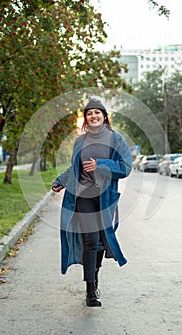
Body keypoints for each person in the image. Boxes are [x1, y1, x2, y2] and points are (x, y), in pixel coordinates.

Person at [52, 99, 132, 307]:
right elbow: (74, 169)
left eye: (97, 112)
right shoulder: (80, 142)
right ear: (85, 118)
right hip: (83, 197)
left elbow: (125, 167)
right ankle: (91, 289)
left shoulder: (115, 139)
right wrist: (60, 181)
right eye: (89, 113)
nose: (93, 116)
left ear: (105, 116)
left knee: (99, 243)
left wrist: (101, 165)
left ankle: (95, 277)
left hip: (105, 199)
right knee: (90, 241)